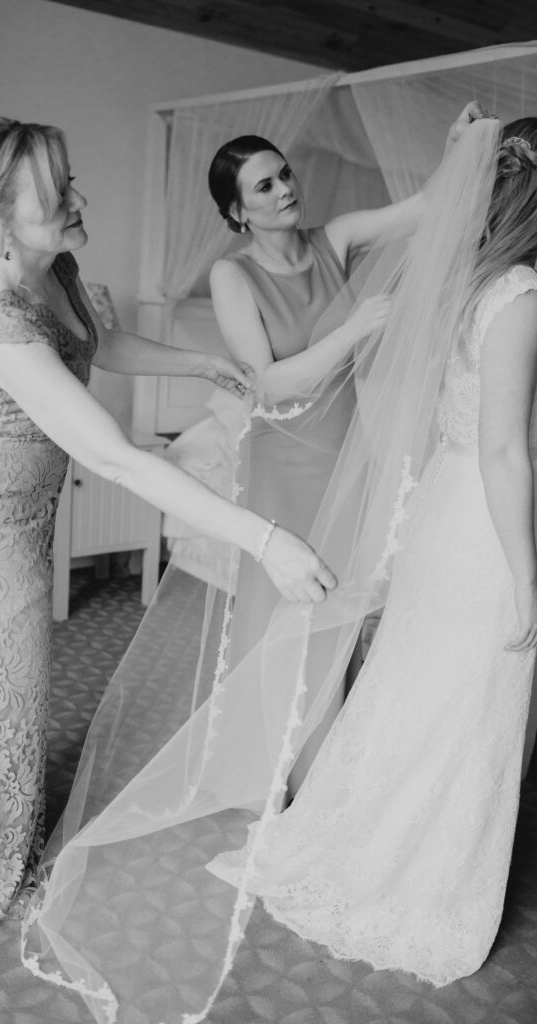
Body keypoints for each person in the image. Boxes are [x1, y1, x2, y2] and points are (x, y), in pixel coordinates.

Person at [0, 116, 337, 928]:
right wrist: (264, 537)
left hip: (26, 504)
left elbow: (97, 339)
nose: (79, 198)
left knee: (9, 686)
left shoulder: (51, 265)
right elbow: (113, 457)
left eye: (71, 178)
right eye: (56, 192)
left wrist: (199, 361)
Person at [208, 115, 537, 986]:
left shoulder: (479, 280)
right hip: (479, 524)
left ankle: (373, 838)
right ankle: (408, 878)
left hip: (450, 512)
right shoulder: (520, 295)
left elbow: (501, 422)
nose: (282, 189)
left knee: (424, 693)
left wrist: (455, 156)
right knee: (456, 703)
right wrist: (527, 580)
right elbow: (501, 445)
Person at [206, 107, 477, 791]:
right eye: (262, 187)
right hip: (280, 461)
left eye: (284, 174)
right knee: (281, 612)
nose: (284, 190)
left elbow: (423, 207)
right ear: (237, 214)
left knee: (338, 607)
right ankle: (269, 771)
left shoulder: (335, 238)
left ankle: (328, 764)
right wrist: (352, 329)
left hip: (342, 453)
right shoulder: (231, 277)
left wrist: (452, 146)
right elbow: (265, 381)